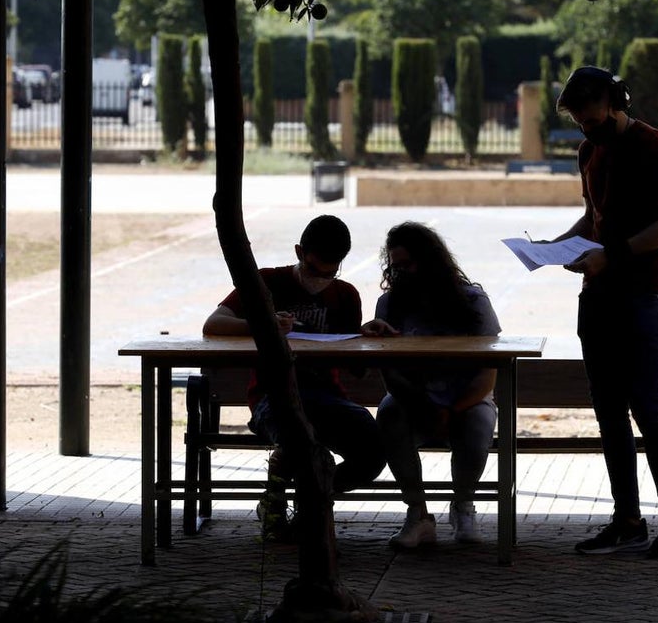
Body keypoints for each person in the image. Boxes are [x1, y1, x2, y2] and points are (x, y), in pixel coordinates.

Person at [544, 65, 658, 558]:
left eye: (591, 117)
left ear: (615, 102)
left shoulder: (653, 146)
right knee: (608, 412)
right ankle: (627, 520)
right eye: (579, 121)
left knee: (648, 408)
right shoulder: (589, 150)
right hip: (599, 293)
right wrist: (557, 248)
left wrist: (614, 254)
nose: (586, 128)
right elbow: (594, 217)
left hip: (644, 292)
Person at [201, 214, 385, 541]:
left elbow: (352, 358)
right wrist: (263, 323)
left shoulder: (345, 296)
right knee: (305, 444)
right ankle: (293, 503)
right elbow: (214, 324)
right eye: (315, 270)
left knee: (373, 453)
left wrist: (366, 336)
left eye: (331, 273)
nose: (321, 279)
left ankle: (308, 501)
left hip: (329, 397)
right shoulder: (267, 283)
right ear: (299, 253)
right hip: (274, 396)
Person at [361, 221, 502, 548]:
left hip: (467, 397)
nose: (404, 273)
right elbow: (390, 376)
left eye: (409, 264)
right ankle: (417, 511)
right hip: (411, 397)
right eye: (397, 267)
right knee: (389, 416)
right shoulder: (391, 305)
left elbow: (488, 373)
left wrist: (453, 408)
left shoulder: (473, 302)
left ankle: (463, 503)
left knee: (477, 425)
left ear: (431, 260)